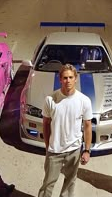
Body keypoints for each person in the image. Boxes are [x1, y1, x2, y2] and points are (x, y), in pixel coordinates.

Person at [38, 64, 93, 197]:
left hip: (74, 150)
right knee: (48, 184)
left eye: (70, 77)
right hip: (54, 150)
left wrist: (86, 150)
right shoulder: (50, 100)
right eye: (65, 78)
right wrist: (48, 146)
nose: (68, 80)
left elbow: (87, 126)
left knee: (70, 183)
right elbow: (45, 124)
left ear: (76, 78)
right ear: (60, 79)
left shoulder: (84, 100)